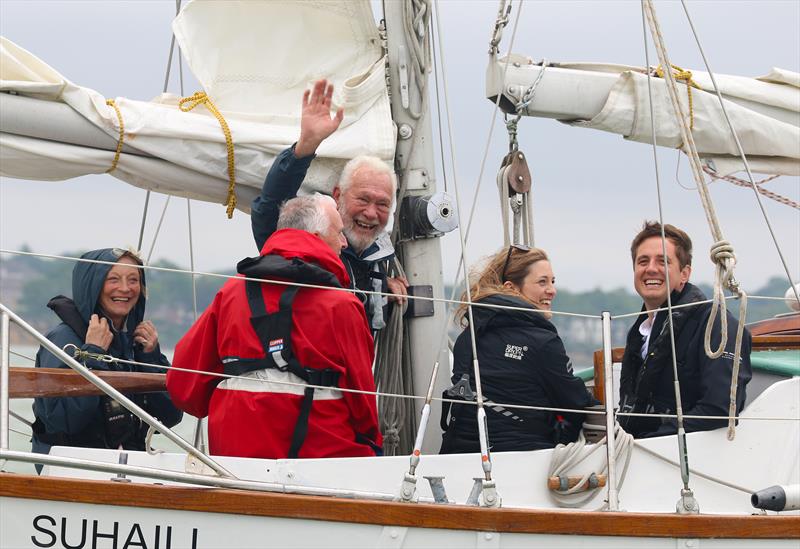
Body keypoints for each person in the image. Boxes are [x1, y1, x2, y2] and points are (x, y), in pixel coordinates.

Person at [167, 194, 382, 459]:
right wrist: (374, 446)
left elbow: (184, 386)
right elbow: (362, 401)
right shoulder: (341, 305)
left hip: (235, 455)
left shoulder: (232, 292)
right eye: (338, 232)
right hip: (322, 456)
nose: (343, 242)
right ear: (315, 236)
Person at [251, 79, 407, 332]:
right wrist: (306, 146)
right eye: (363, 199)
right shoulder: (306, 246)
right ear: (338, 195)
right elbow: (269, 210)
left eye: (382, 204)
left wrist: (377, 287)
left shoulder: (375, 262)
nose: (371, 213)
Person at [31, 248, 183, 465]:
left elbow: (171, 417)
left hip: (127, 463)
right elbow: (62, 421)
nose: (125, 288)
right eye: (113, 279)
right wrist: (93, 354)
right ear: (92, 286)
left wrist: (150, 357)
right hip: (70, 465)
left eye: (133, 280)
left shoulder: (134, 343)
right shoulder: (62, 339)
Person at [440, 246, 595, 454]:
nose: (552, 290)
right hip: (521, 459)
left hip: (457, 455)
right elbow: (575, 404)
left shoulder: (468, 336)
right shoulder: (542, 341)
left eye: (552, 281)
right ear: (511, 289)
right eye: (542, 282)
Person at [618, 222, 752, 438]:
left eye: (663, 261)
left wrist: (645, 441)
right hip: (639, 450)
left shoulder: (715, 325)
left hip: (684, 456)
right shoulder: (641, 332)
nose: (651, 268)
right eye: (643, 261)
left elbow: (719, 410)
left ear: (684, 274)